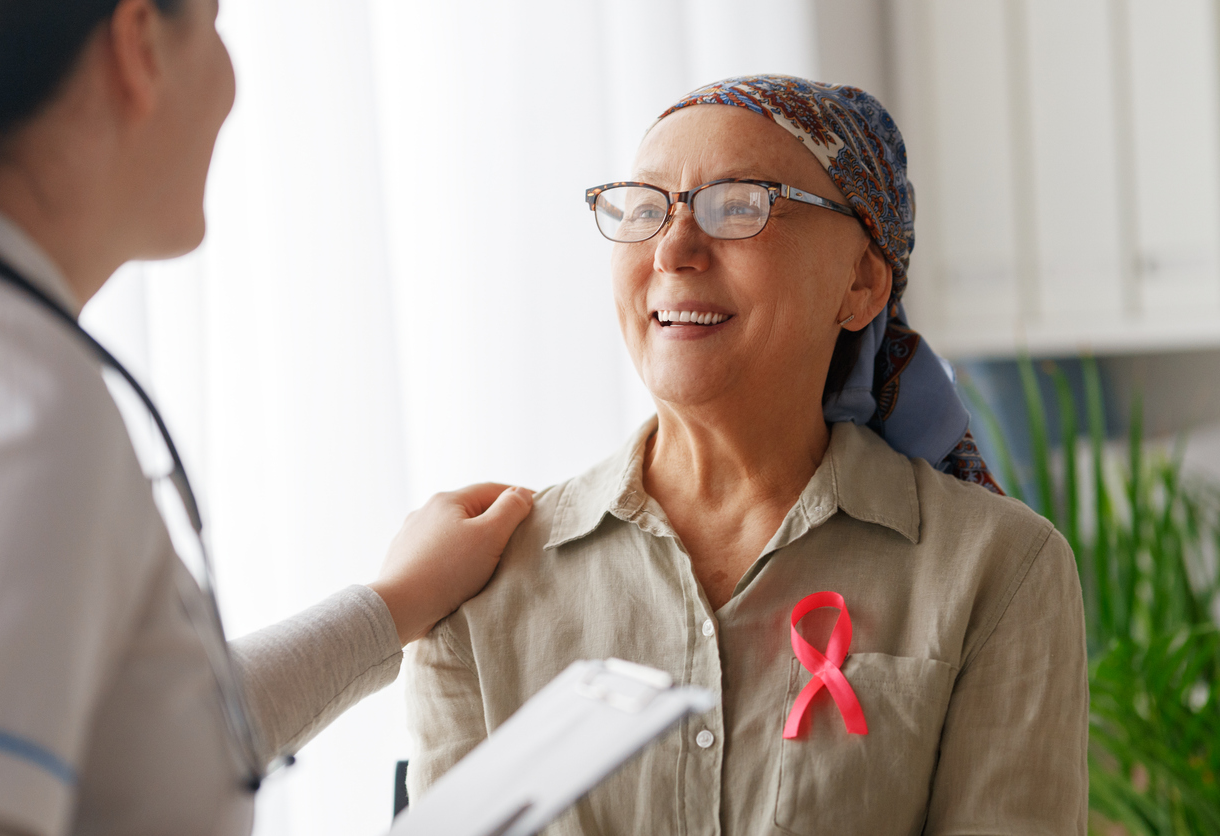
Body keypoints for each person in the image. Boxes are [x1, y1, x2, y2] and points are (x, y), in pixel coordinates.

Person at [406, 75, 1089, 834]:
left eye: (739, 205)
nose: (673, 247)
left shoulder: (999, 570)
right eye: (642, 208)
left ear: (861, 282)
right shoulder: (480, 584)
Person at [0, 1, 533, 834]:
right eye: (216, 20)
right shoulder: (27, 402)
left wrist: (392, 606)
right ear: (139, 46)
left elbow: (140, 738)